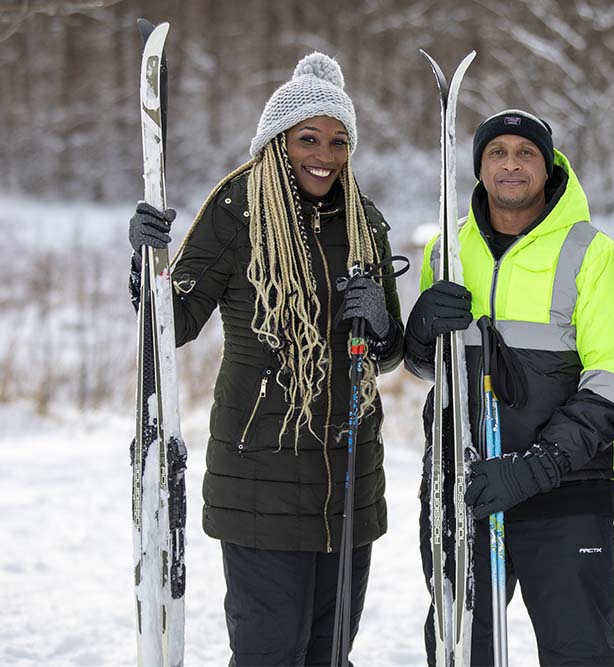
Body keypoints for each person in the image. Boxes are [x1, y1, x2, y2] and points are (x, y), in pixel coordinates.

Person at [127, 52, 403, 666]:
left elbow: (386, 354)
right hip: (262, 477)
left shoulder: (363, 219)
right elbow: (170, 326)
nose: (324, 155)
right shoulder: (239, 208)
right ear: (278, 140)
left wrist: (382, 326)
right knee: (268, 653)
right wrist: (146, 266)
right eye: (308, 138)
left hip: (349, 475)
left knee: (331, 653)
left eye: (337, 141)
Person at [403, 109, 614, 666]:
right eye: (496, 153)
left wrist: (534, 467)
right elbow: (427, 368)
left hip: (563, 494)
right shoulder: (445, 251)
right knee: (459, 651)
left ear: (549, 164)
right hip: (460, 487)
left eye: (525, 152)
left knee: (578, 653)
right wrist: (419, 333)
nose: (511, 164)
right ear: (480, 167)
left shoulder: (598, 256)